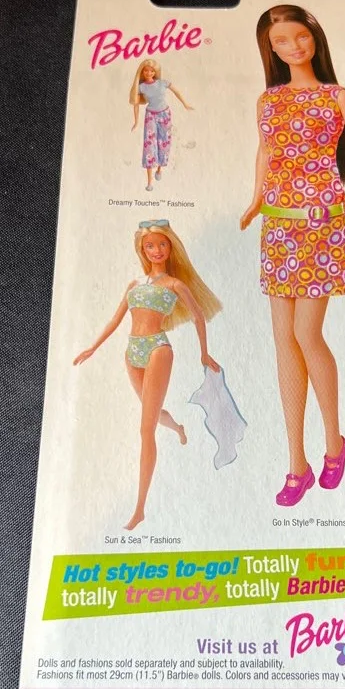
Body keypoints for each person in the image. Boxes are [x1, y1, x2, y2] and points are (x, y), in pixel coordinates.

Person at [240, 4, 345, 507]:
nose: (293, 47)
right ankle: (296, 464)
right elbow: (266, 151)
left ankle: (335, 445)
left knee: (306, 333)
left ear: (314, 37)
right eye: (281, 42)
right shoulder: (268, 100)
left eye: (299, 36)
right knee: (283, 342)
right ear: (270, 49)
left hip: (320, 224)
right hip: (278, 224)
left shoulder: (337, 97)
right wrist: (256, 198)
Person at [73, 220, 221, 530]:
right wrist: (93, 347)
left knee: (145, 429)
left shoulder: (175, 285)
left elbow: (198, 317)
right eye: (150, 246)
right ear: (142, 249)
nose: (156, 250)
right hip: (132, 352)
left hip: (157, 350)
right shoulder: (134, 285)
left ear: (171, 247)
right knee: (151, 414)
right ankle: (177, 427)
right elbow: (115, 320)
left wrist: (204, 354)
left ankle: (139, 508)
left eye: (162, 244)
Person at [129, 59, 193, 190]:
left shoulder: (162, 83)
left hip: (165, 114)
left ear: (155, 72)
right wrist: (136, 121)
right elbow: (136, 105)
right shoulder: (141, 87)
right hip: (150, 116)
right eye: (146, 70)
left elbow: (176, 92)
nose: (149, 73)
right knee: (149, 146)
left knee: (163, 142)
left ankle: (159, 168)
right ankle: (149, 182)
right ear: (142, 72)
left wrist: (185, 104)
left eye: (151, 71)